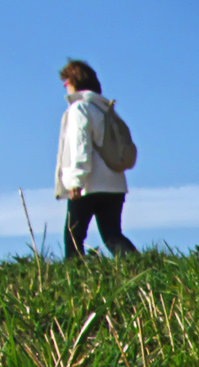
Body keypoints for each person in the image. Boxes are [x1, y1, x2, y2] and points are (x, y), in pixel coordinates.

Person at [55, 59, 137, 259]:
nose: (65, 86)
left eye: (66, 81)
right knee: (112, 235)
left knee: (73, 237)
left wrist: (76, 181)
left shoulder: (79, 109)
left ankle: (74, 281)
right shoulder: (106, 110)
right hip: (115, 184)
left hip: (88, 184)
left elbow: (79, 145)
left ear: (75, 81)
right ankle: (144, 267)